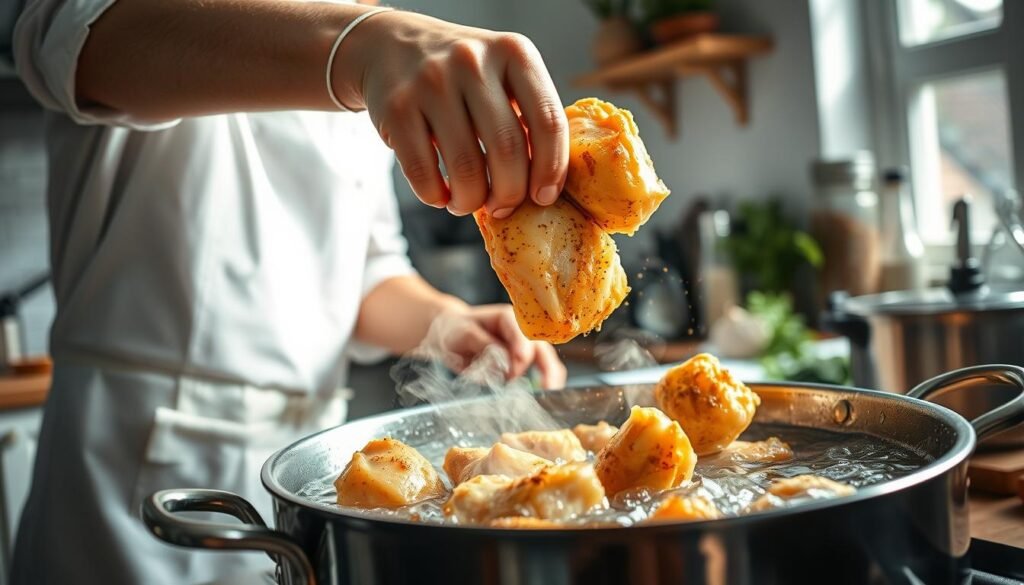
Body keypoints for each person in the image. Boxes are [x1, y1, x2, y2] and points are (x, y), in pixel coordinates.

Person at [9, 1, 570, 583]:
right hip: (131, 478)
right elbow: (81, 43)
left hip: (305, 473)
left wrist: (450, 323)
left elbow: (366, 276)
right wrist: (364, 45)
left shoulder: (365, 37)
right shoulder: (363, 44)